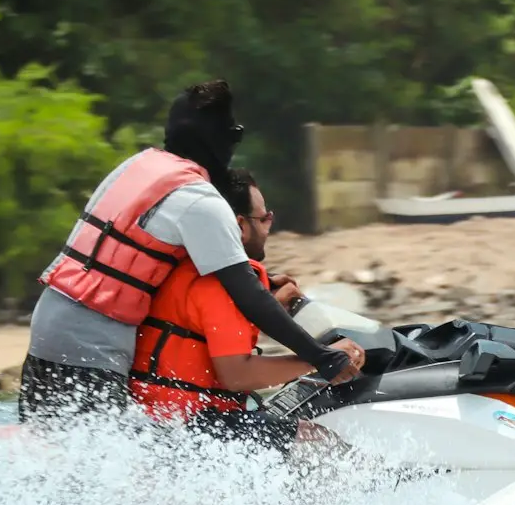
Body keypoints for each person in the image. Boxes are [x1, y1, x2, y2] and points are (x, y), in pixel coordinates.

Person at [18, 79, 361, 421]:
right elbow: (246, 295)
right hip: (91, 342)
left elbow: (145, 254)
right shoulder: (199, 198)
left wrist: (266, 281)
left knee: (50, 445)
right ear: (222, 139)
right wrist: (322, 358)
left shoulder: (136, 167)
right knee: (89, 461)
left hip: (50, 319)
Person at [129, 169, 355, 453]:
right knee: (320, 442)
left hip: (161, 415)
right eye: (264, 218)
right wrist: (324, 360)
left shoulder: (188, 268)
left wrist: (271, 299)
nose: (268, 227)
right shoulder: (221, 284)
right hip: (188, 423)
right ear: (239, 226)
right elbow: (237, 375)